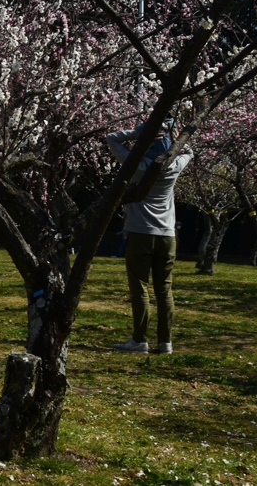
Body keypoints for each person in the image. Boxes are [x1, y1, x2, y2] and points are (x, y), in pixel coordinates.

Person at [106, 120, 192, 355]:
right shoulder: (175, 165)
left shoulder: (136, 165)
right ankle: (165, 342)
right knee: (164, 289)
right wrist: (176, 136)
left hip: (139, 232)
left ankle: (139, 339)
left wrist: (137, 133)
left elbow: (112, 137)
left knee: (139, 287)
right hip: (167, 235)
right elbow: (189, 151)